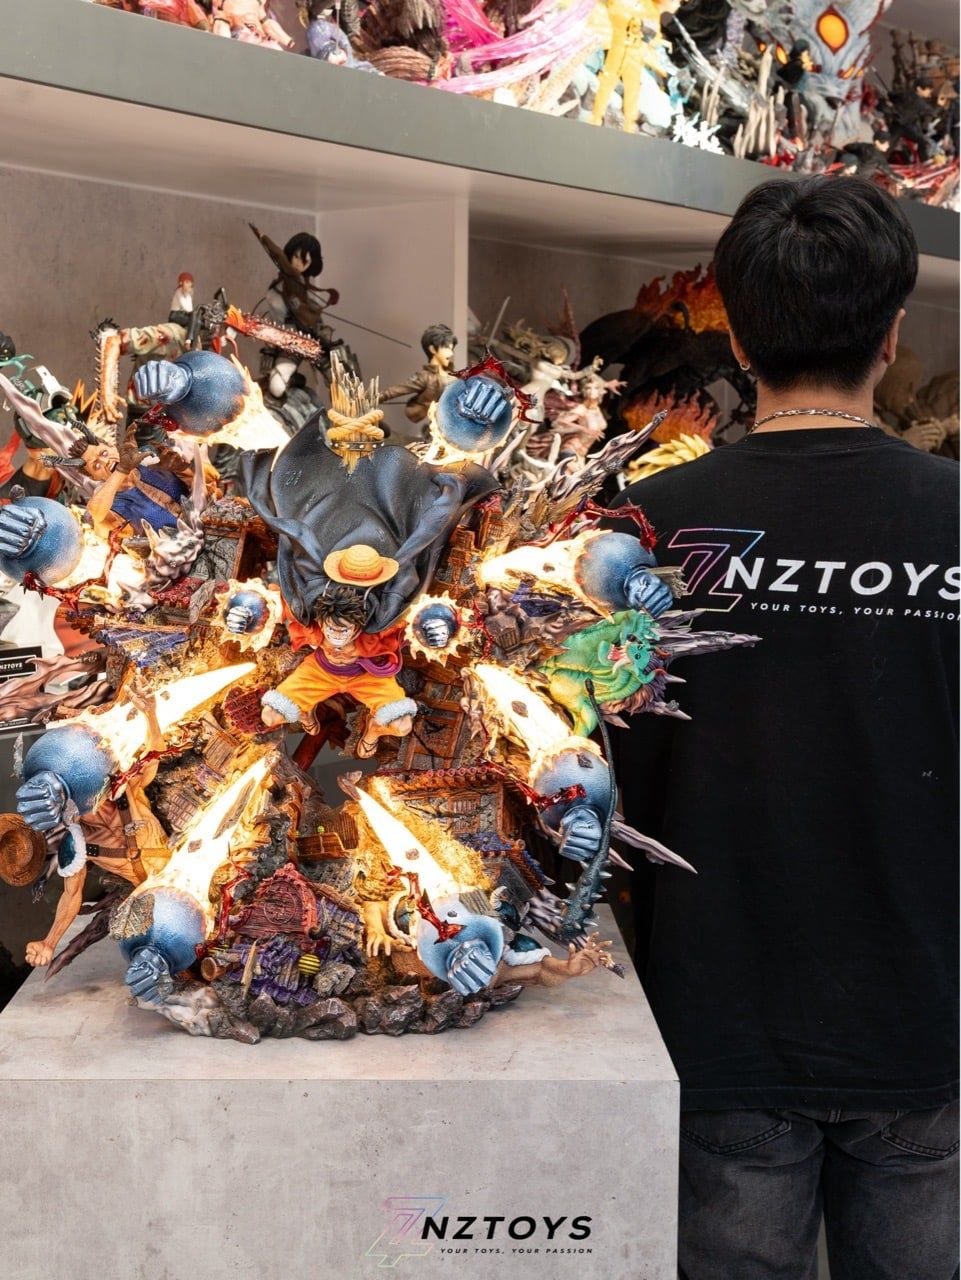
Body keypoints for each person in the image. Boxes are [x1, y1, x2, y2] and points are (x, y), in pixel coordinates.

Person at [612, 175, 959, 1280]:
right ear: (891, 335)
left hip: (717, 1021)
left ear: (737, 337)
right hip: (925, 1027)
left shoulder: (638, 531)